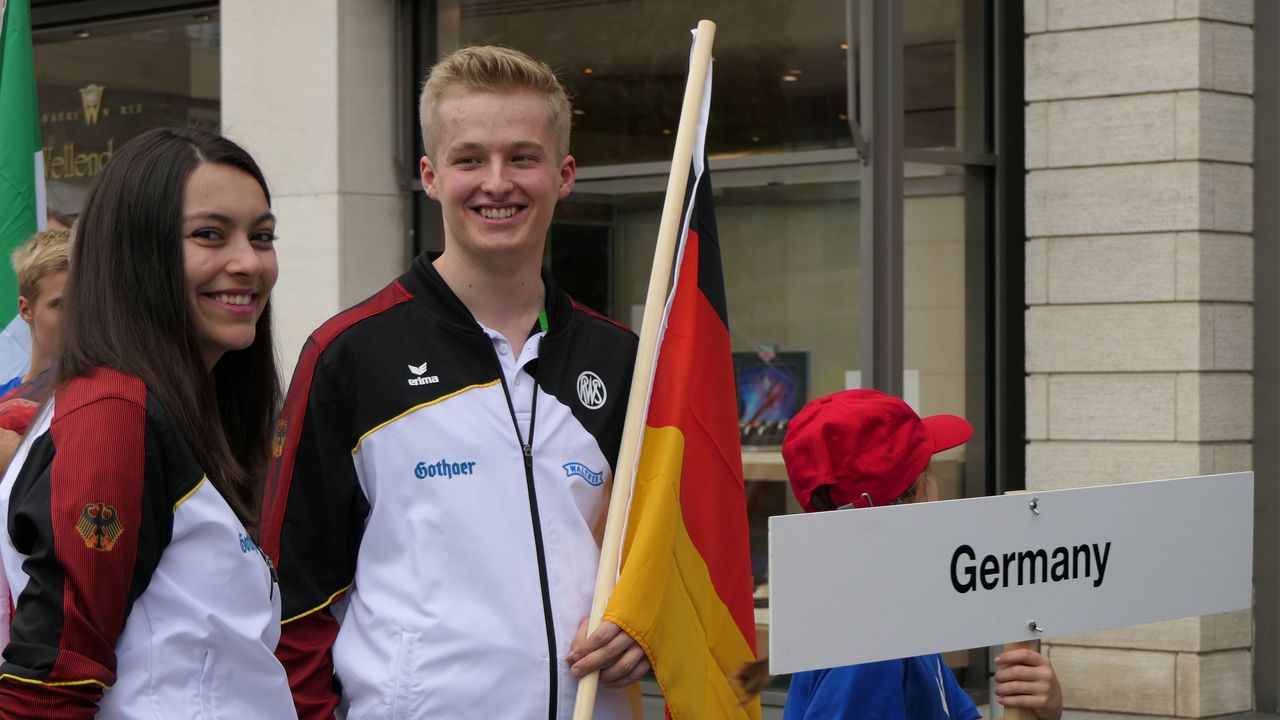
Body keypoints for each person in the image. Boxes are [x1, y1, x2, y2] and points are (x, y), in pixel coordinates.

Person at [262, 46, 646, 719]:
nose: (497, 182)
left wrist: (648, 625)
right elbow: (294, 596)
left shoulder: (623, 362)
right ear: (431, 175)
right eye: (470, 159)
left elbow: (664, 553)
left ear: (564, 175)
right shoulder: (350, 355)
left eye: (522, 157)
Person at [0, 126, 296, 718]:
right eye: (210, 235)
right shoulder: (113, 412)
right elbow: (49, 677)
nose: (249, 262)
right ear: (135, 251)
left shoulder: (179, 408)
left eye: (261, 236)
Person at [770, 389, 1063, 720]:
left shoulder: (887, 611)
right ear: (910, 503)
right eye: (930, 475)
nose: (940, 492)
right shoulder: (869, 644)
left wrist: (1043, 712)